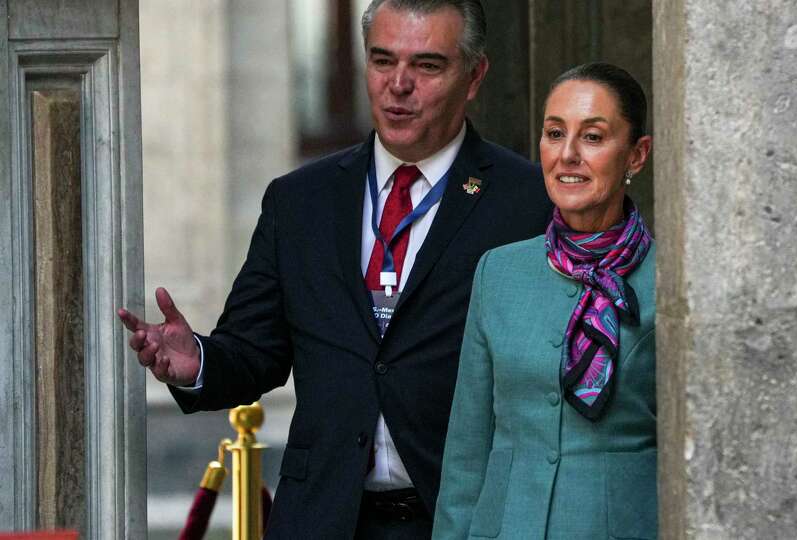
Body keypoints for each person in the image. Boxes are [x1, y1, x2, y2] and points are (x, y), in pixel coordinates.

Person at [116, 1, 552, 538]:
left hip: (462, 518)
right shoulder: (300, 200)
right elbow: (255, 351)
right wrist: (197, 360)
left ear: (474, 76)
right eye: (382, 60)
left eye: (427, 66)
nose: (398, 85)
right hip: (323, 517)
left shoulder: (527, 202)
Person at [432, 62, 656, 539]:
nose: (568, 155)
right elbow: (468, 450)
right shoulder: (499, 272)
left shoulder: (674, 282)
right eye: (555, 133)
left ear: (636, 155)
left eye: (592, 137)